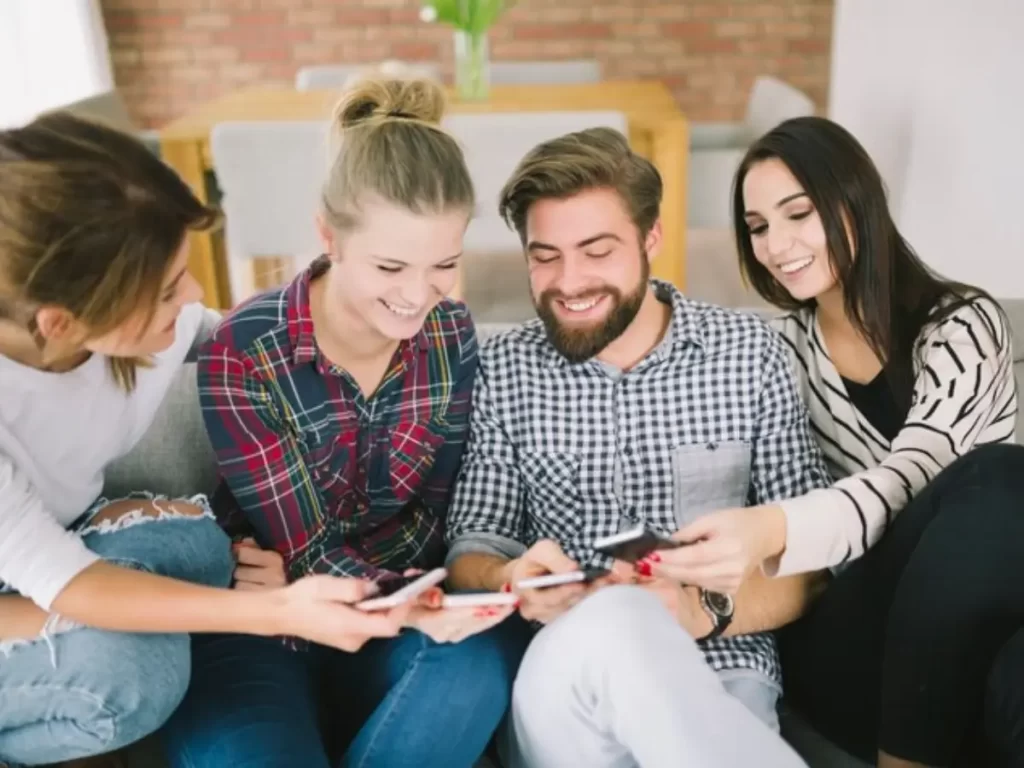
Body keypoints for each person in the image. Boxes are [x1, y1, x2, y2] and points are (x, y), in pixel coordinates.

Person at [0, 113, 410, 768]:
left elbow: (258, 338)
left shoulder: (127, 330)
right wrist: (278, 612)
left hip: (36, 564)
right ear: (60, 320)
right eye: (166, 290)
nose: (189, 295)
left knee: (194, 541)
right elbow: (71, 584)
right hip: (32, 594)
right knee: (134, 667)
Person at [162, 75, 527, 768]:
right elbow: (301, 544)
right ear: (328, 235)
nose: (419, 295)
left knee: (486, 656)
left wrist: (430, 598)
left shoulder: (451, 334)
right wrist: (400, 588)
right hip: (265, 628)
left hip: (399, 623)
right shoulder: (246, 350)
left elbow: (438, 514)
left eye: (444, 264)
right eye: (390, 265)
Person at [444, 125, 831, 768]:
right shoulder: (504, 367)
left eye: (597, 250)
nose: (569, 281)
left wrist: (698, 612)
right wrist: (510, 577)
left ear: (651, 237)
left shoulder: (749, 354)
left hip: (722, 671)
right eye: (545, 255)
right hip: (564, 682)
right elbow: (471, 549)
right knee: (616, 618)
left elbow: (810, 566)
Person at [652, 116, 1024, 767]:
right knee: (1001, 475)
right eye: (759, 226)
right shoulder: (777, 353)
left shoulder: (965, 326)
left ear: (856, 201)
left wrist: (773, 527)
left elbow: (912, 477)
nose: (776, 245)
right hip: (851, 637)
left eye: (799, 214)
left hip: (965, 640)